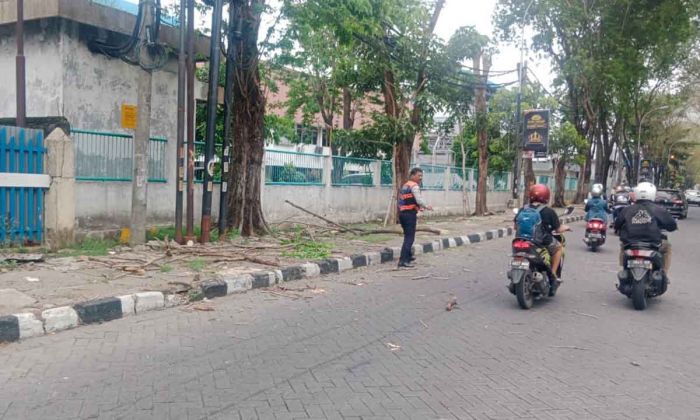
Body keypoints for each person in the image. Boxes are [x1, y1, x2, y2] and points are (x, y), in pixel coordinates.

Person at [614, 182, 677, 274]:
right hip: (653, 244)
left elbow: (617, 225)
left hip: (630, 243)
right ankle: (664, 272)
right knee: (667, 248)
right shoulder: (659, 210)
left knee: (623, 247)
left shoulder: (627, 210)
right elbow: (672, 226)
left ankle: (624, 269)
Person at [514, 184, 571, 282]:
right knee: (559, 249)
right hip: (540, 241)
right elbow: (557, 229)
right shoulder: (549, 211)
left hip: (520, 240)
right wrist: (566, 227)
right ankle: (553, 275)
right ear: (546, 196)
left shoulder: (523, 209)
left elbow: (515, 226)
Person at [397, 168, 432, 268]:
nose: (420, 178)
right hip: (409, 214)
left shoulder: (405, 185)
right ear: (412, 175)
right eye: (419, 175)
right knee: (409, 238)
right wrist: (427, 206)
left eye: (421, 176)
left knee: (407, 236)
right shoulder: (414, 186)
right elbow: (419, 200)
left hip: (402, 214)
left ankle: (408, 256)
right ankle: (403, 261)